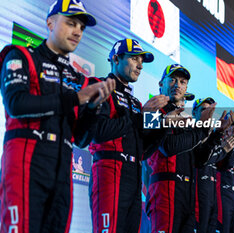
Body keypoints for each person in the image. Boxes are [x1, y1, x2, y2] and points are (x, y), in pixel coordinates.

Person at [0, 0, 115, 232]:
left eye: (81, 28)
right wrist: (76, 99)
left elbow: (81, 140)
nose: (77, 32)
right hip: (26, 162)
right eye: (71, 23)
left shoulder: (76, 78)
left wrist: (93, 108)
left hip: (63, 169)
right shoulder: (21, 55)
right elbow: (16, 104)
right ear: (50, 23)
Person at [88, 38, 170, 233]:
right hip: (108, 171)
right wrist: (141, 117)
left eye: (141, 60)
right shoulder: (99, 85)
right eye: (134, 59)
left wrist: (163, 124)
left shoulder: (135, 102)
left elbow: (144, 150)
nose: (140, 65)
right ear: (116, 59)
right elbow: (97, 132)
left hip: (132, 176)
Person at [146, 64, 234, 233]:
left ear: (186, 88)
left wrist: (216, 134)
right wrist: (201, 129)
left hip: (187, 191)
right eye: (172, 80)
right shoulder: (152, 109)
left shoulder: (184, 120)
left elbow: (199, 160)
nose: (177, 85)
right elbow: (167, 147)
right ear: (160, 84)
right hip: (165, 189)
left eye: (182, 81)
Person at [192, 97, 234, 233]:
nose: (208, 113)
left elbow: (226, 165)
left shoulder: (214, 136)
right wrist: (222, 149)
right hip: (197, 196)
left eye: (211, 110)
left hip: (213, 197)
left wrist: (232, 144)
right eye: (204, 109)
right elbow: (201, 160)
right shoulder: (192, 133)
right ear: (194, 113)